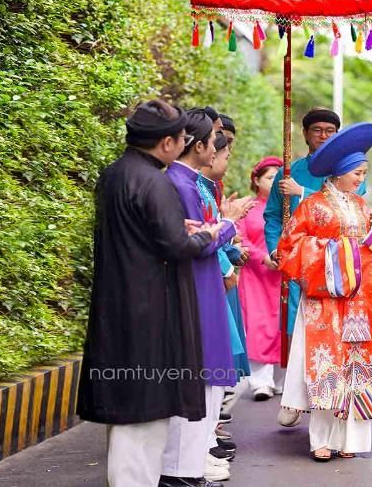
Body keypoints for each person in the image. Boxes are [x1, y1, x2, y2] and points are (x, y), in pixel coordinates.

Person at [77, 100, 228, 487]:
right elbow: (176, 247)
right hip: (149, 308)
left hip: (117, 304)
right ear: (166, 143)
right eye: (181, 138)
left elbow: (143, 232)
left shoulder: (114, 174)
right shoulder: (155, 181)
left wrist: (180, 228)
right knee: (144, 413)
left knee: (127, 410)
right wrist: (208, 234)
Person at [277, 122, 372, 461]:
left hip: (361, 299)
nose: (361, 179)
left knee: (356, 364)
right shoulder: (312, 205)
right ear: (340, 173)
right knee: (327, 363)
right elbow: (289, 248)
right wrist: (336, 252)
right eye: (357, 173)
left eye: (364, 173)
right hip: (325, 299)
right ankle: (321, 439)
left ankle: (351, 441)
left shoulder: (361, 205)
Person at [161, 111, 253, 487]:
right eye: (214, 140)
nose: (218, 147)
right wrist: (228, 223)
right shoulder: (181, 185)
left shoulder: (191, 182)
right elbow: (199, 242)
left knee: (209, 377)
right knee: (198, 377)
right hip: (195, 285)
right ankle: (182, 467)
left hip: (205, 284)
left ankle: (192, 461)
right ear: (198, 145)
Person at [264, 108, 366, 427]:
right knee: (300, 330)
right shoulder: (290, 171)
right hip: (303, 263)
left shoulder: (349, 169)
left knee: (337, 335)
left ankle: (335, 398)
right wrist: (274, 248)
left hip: (341, 270)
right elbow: (273, 216)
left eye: (330, 130)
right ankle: (295, 397)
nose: (323, 135)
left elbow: (352, 205)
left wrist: (303, 193)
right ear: (305, 134)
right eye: (317, 130)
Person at [237, 156, 285, 401]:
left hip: (283, 275)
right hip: (256, 275)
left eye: (278, 178)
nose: (274, 182)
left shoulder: (288, 208)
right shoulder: (247, 207)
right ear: (256, 180)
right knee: (258, 325)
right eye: (269, 177)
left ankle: (283, 381)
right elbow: (241, 239)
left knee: (283, 326)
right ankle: (261, 382)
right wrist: (262, 257)